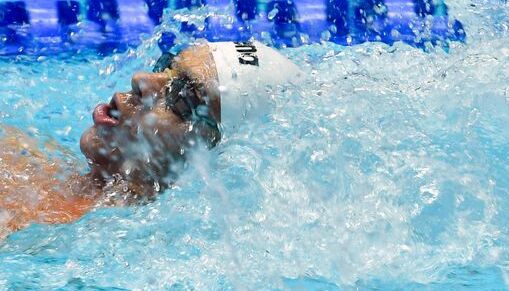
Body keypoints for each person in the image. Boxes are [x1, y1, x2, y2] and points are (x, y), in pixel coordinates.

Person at [0, 41, 303, 238]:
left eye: (183, 98)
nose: (142, 79)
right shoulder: (35, 158)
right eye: (166, 67)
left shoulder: (51, 235)